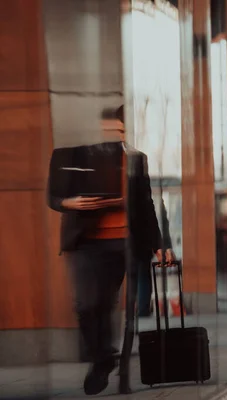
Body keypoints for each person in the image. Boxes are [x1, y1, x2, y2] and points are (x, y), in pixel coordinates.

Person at [47, 105, 163, 395]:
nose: (115, 133)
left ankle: (107, 360)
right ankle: (102, 358)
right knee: (85, 304)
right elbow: (54, 194)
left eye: (121, 129)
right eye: (112, 127)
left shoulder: (136, 159)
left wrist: (159, 245)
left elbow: (146, 205)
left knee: (104, 303)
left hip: (120, 242)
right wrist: (69, 203)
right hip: (85, 240)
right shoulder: (82, 155)